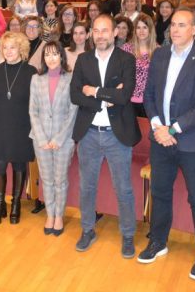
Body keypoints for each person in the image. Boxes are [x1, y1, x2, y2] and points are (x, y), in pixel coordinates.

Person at [140, 7, 195, 281]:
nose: (175, 29)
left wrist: (172, 128)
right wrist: (157, 126)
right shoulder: (160, 54)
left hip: (191, 141)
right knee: (160, 191)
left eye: (182, 25)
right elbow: (149, 95)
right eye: (173, 24)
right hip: (160, 137)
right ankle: (158, 241)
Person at [70, 14, 140, 257]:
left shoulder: (126, 60)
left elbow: (125, 95)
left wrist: (94, 91)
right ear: (91, 33)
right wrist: (108, 96)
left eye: (105, 30)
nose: (100, 35)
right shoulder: (83, 60)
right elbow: (75, 95)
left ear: (115, 33)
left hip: (116, 135)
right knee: (87, 187)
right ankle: (87, 229)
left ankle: (128, 235)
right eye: (96, 31)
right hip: (89, 134)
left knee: (123, 189)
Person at [0, 31, 38, 225]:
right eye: (5, 47)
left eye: (12, 47)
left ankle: (15, 204)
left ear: (21, 48)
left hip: (23, 127)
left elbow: (37, 104)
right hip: (0, 127)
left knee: (19, 166)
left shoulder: (31, 72)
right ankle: (0, 205)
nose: (8, 51)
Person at [29, 40, 78, 235]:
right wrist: (42, 138)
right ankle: (50, 214)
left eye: (55, 54)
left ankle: (59, 216)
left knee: (60, 180)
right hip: (40, 139)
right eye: (47, 54)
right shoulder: (36, 79)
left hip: (63, 140)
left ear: (61, 56)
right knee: (47, 179)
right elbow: (33, 111)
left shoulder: (71, 79)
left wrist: (58, 138)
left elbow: (73, 112)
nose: (51, 58)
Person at [122, 14, 157, 118]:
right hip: (128, 99)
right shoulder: (126, 49)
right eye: (138, 27)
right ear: (134, 30)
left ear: (150, 29)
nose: (141, 31)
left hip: (149, 102)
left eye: (145, 27)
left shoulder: (158, 51)